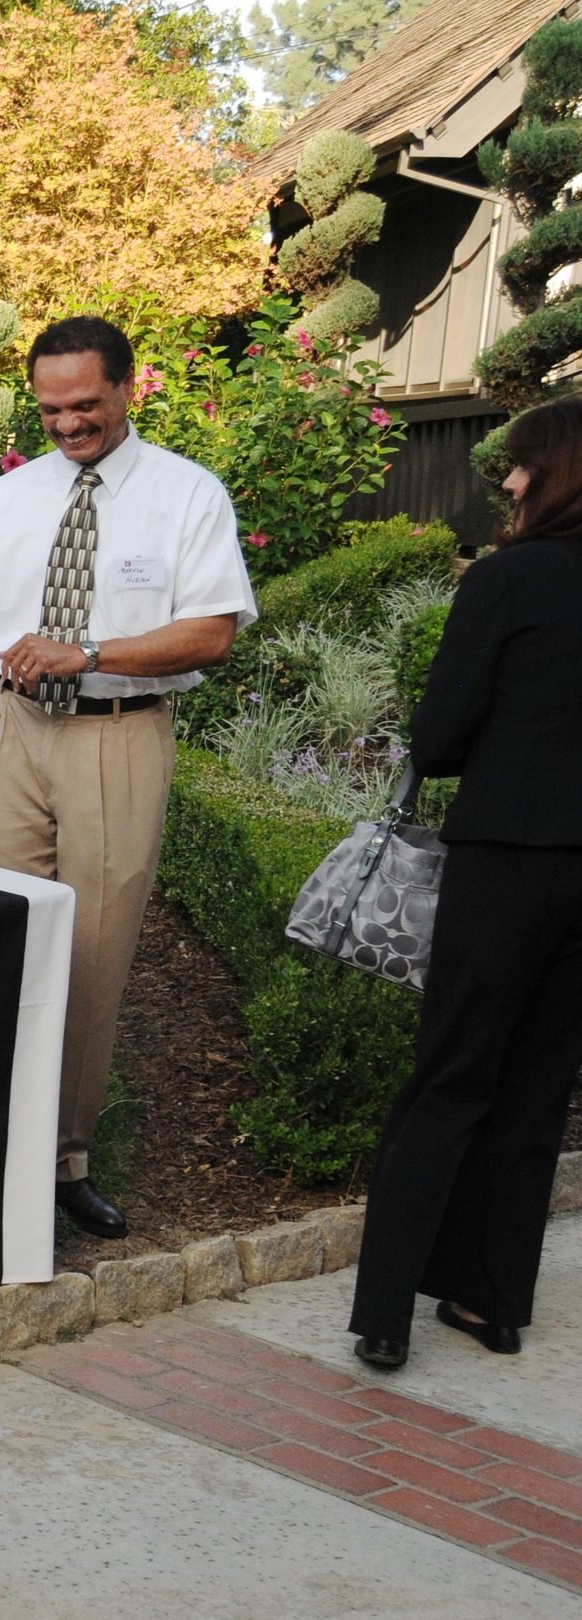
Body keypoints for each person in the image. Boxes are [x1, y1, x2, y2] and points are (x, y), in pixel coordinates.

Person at [0, 316, 254, 1239]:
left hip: (118, 736)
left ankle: (63, 1163)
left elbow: (213, 632)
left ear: (128, 388)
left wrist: (91, 652)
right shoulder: (10, 500)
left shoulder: (188, 495)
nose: (67, 424)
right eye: (51, 409)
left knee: (91, 960)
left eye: (85, 405)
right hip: (13, 733)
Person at [347, 398, 582, 1371]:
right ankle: (493, 1302)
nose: (510, 481)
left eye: (521, 466)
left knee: (448, 1080)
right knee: (539, 1089)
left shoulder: (507, 579)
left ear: (556, 474)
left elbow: (439, 739)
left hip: (505, 859)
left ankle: (385, 1316)